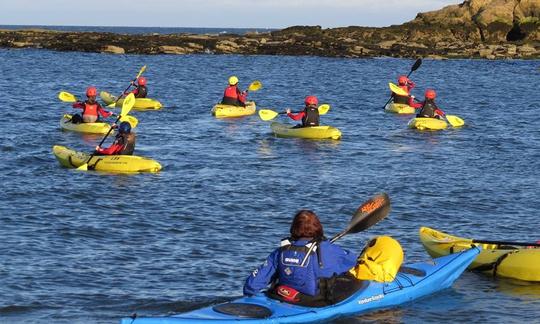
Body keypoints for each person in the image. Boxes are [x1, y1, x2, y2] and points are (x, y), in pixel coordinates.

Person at [243, 210, 357, 305]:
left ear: (294, 228)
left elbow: (251, 285)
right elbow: (352, 261)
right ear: (318, 227)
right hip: (312, 302)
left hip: (282, 296)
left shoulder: (281, 251)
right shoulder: (328, 249)